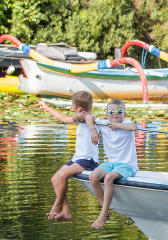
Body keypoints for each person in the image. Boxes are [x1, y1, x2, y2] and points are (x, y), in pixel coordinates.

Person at [38, 92, 99, 221]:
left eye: (73, 106)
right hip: (77, 159)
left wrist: (90, 127)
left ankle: (56, 206)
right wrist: (48, 109)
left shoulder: (88, 117)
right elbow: (65, 119)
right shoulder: (83, 117)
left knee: (63, 175)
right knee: (55, 179)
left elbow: (72, 118)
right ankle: (66, 211)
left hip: (88, 160)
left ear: (79, 109)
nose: (72, 111)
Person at [88, 99, 138, 229]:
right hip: (111, 163)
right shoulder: (103, 124)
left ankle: (103, 214)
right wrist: (93, 130)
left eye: (119, 111)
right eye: (112, 112)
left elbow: (134, 127)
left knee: (108, 178)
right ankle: (106, 210)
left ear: (124, 114)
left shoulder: (126, 123)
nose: (115, 114)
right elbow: (88, 117)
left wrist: (117, 125)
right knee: (93, 177)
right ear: (107, 115)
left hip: (127, 164)